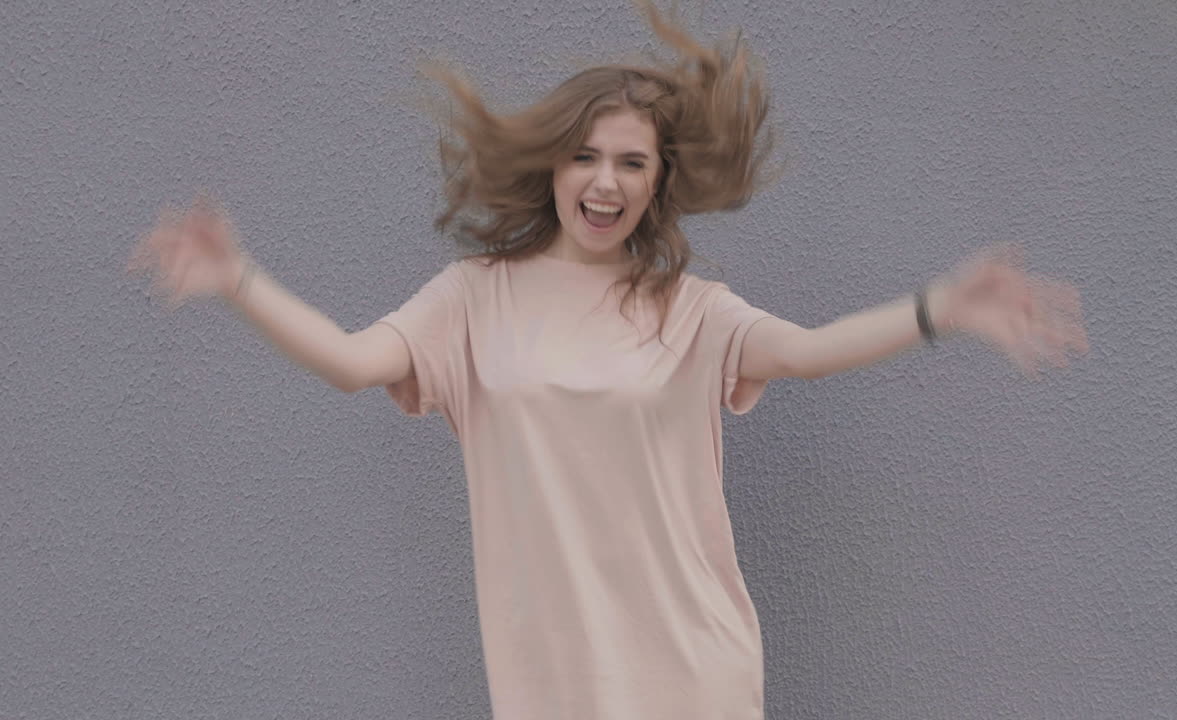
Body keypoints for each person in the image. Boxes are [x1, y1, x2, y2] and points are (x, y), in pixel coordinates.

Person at [127, 3, 1088, 718]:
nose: (606, 181)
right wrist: (239, 278)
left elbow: (801, 353)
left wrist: (941, 308)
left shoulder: (691, 310)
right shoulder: (472, 297)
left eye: (633, 162)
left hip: (693, 673)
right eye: (586, 156)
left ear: (660, 181)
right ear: (553, 166)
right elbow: (349, 360)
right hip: (552, 686)